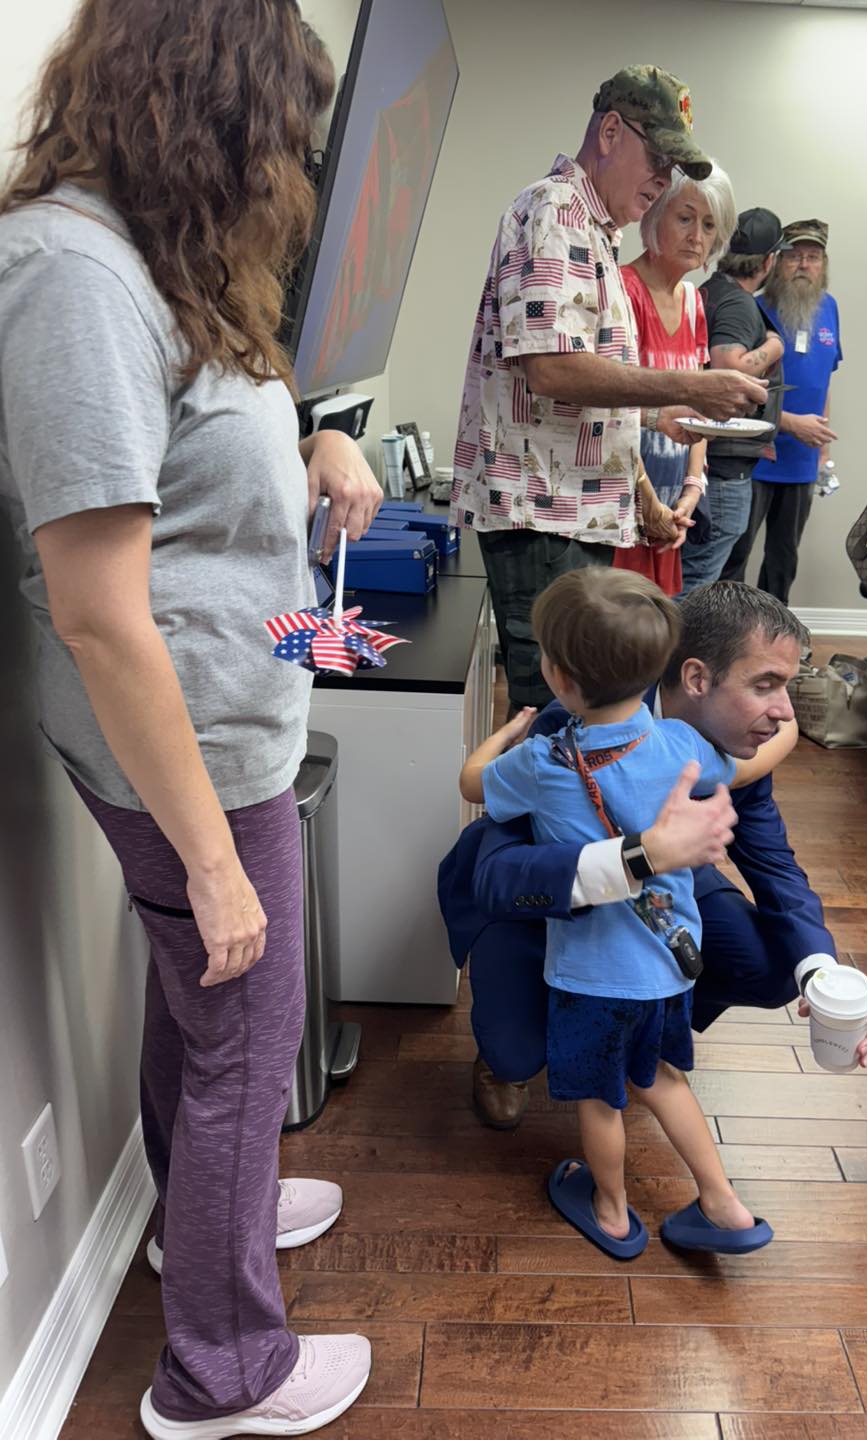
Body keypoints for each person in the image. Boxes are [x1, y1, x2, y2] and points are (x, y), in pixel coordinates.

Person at [0, 3, 384, 1435]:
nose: (287, 165)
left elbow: (193, 452)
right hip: (196, 754)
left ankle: (198, 1219)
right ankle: (222, 1374)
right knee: (242, 1038)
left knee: (207, 1012)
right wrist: (216, 864)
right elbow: (101, 613)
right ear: (205, 108)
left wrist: (319, 439)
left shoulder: (163, 255)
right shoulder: (72, 274)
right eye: (279, 132)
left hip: (240, 701)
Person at [438, 581, 867, 1130]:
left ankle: (640, 1021)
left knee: (776, 963)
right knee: (516, 1053)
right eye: (766, 685)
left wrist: (824, 974)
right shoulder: (572, 724)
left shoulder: (732, 740)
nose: (786, 713)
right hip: (542, 903)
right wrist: (635, 858)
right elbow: (498, 877)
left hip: (663, 895)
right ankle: (509, 1050)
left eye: (787, 686)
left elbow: (775, 865)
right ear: (696, 678)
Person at [459, 570, 772, 1258]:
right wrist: (788, 732)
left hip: (591, 978)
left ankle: (610, 1210)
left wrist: (506, 733)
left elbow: (471, 783)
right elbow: (746, 767)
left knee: (600, 1101)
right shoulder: (681, 745)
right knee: (662, 1078)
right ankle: (723, 1203)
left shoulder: (542, 762)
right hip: (669, 966)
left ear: (559, 678)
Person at [450, 64, 767, 714]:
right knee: (553, 711)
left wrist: (651, 457)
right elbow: (552, 368)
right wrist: (691, 387)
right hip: (543, 510)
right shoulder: (557, 213)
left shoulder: (593, 229)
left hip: (569, 508)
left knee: (577, 707)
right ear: (611, 132)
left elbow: (583, 393)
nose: (662, 180)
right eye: (657, 159)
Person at [613, 163, 737, 595]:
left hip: (670, 510)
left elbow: (696, 409)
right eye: (685, 218)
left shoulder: (693, 303)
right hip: (622, 507)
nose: (697, 236)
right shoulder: (623, 291)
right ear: (654, 216)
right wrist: (650, 505)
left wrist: (690, 491)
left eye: (709, 225)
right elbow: (609, 408)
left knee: (661, 626)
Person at [722, 218, 841, 603]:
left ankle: (774, 631)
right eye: (794, 256)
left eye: (813, 257)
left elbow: (824, 382)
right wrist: (790, 423)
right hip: (756, 455)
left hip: (803, 461)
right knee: (736, 553)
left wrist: (823, 452)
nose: (804, 265)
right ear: (775, 262)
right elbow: (736, 388)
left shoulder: (830, 309)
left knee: (783, 560)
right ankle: (730, 630)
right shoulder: (752, 309)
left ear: (824, 264)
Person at [687, 207, 787, 589]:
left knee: (693, 577)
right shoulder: (737, 302)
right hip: (725, 471)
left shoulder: (709, 291)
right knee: (698, 583)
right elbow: (728, 367)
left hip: (708, 461)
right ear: (768, 261)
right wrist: (774, 347)